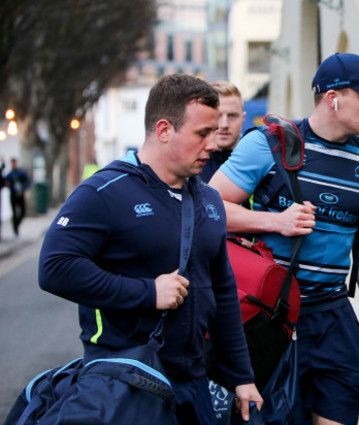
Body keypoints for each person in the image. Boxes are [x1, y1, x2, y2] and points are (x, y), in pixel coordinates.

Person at [38, 73, 262, 424]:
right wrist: (147, 292)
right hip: (125, 379)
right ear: (163, 130)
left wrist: (242, 377)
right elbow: (54, 268)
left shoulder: (211, 201)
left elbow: (223, 292)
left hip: (194, 381)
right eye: (202, 134)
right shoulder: (105, 191)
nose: (214, 145)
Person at [209, 52, 359, 425]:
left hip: (332, 316)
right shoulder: (269, 144)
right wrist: (274, 221)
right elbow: (208, 209)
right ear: (333, 98)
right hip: (270, 317)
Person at [199, 81, 246, 183]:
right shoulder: (190, 162)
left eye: (232, 116)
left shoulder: (257, 160)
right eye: (218, 115)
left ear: (243, 118)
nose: (224, 124)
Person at [5, 157, 30, 236]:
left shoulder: (21, 173)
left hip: (20, 195)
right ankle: (15, 228)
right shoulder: (9, 174)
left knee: (22, 212)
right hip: (13, 195)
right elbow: (6, 182)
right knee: (14, 213)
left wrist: (23, 188)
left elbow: (27, 181)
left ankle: (16, 224)